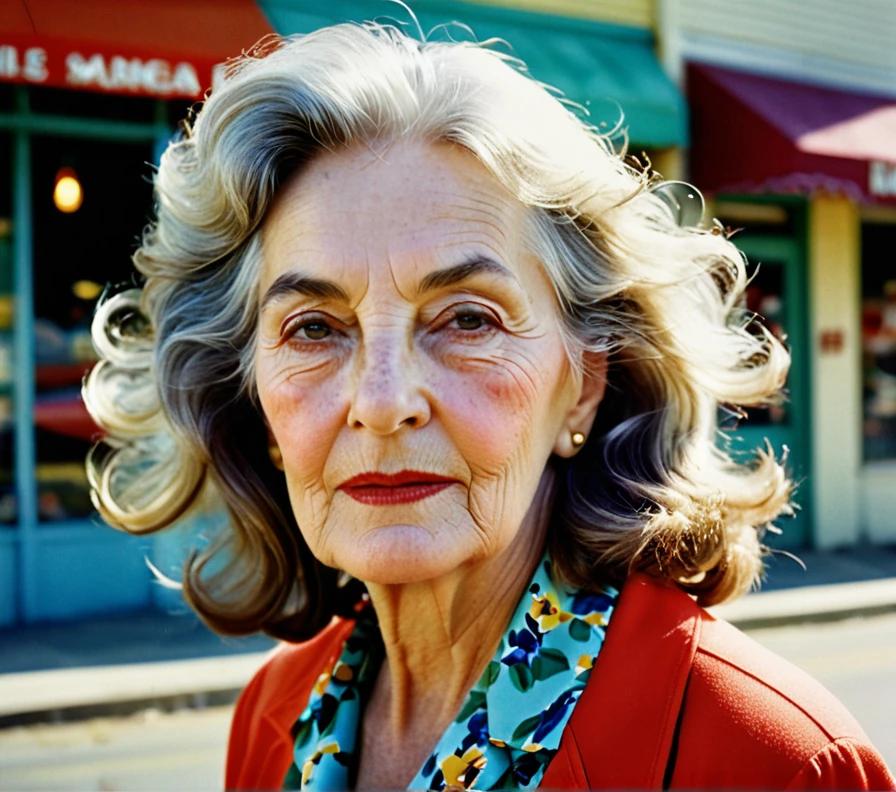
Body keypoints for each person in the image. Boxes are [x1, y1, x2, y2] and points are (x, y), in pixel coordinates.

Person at [83, 20, 894, 791]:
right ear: (251, 391)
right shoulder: (274, 717)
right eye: (315, 328)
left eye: (467, 319)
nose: (382, 401)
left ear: (582, 382)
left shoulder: (774, 762)